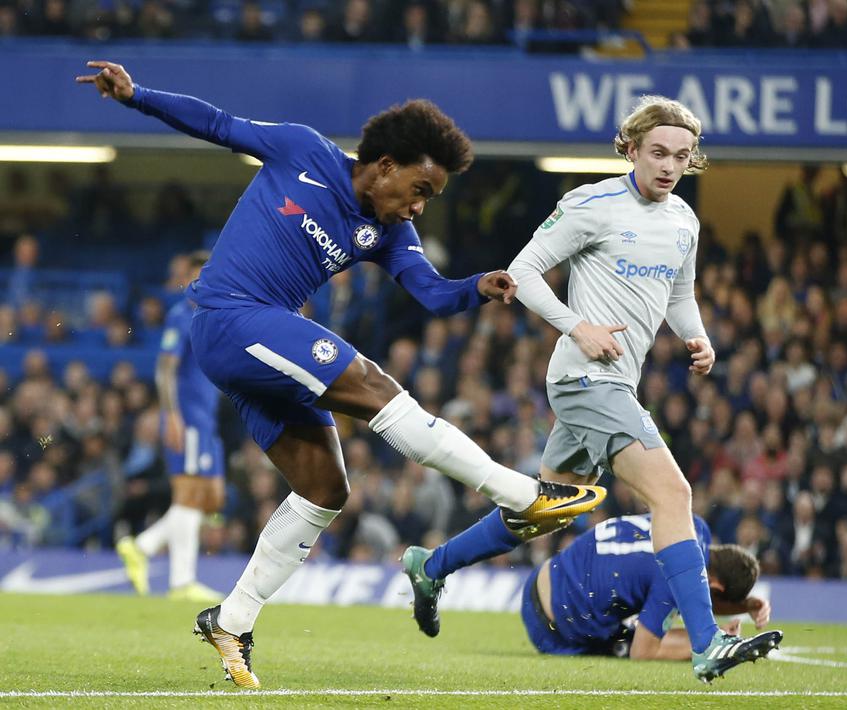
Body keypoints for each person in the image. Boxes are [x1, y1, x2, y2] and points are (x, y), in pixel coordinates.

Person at [76, 60, 605, 689]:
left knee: (326, 489)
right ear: (384, 164)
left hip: (257, 347)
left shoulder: (390, 231)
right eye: (418, 189)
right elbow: (218, 125)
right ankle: (524, 496)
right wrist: (137, 96)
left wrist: (477, 288)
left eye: (427, 199)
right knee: (378, 388)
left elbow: (433, 295)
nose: (417, 206)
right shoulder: (300, 148)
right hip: (230, 317)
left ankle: (232, 618)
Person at [401, 95, 782, 682]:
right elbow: (522, 273)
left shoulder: (684, 222)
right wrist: (576, 325)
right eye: (658, 152)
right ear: (630, 148)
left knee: (545, 510)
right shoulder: (589, 203)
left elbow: (678, 296)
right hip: (584, 379)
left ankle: (432, 565)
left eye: (682, 157)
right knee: (673, 495)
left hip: (614, 382)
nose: (669, 166)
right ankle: (707, 644)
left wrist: (697, 336)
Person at [116, 251, 225, 604]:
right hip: (188, 417)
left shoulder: (211, 314)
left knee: (209, 498)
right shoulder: (182, 315)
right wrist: (172, 414)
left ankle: (143, 547)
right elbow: (164, 368)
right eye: (199, 274)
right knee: (191, 495)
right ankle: (180, 581)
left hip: (205, 419)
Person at [515, 514, 771, 661]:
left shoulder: (694, 525)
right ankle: (720, 643)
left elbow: (698, 591)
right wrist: (719, 640)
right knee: (631, 644)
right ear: (716, 585)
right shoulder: (676, 576)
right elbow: (643, 651)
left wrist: (742, 605)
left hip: (544, 576)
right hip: (553, 632)